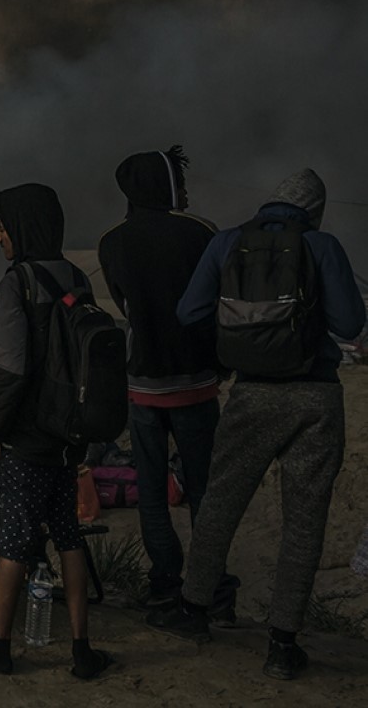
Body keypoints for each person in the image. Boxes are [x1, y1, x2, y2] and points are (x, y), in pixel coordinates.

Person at [148, 169, 365, 680]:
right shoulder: (323, 245)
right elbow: (350, 324)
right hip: (315, 397)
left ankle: (193, 611)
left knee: (221, 502)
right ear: (314, 210)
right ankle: (283, 644)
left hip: (250, 394)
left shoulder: (227, 242)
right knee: (303, 521)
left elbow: (189, 311)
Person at [0, 183, 112, 680]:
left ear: (20, 228)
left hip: (27, 437)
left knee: (15, 543)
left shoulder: (16, 284)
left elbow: (12, 369)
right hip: (68, 435)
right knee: (68, 537)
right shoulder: (75, 277)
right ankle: (82, 651)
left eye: (1, 228)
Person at [97, 146, 237, 616]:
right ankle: (212, 587)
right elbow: (218, 302)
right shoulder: (199, 233)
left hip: (143, 386)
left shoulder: (112, 242)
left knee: (152, 492)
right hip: (197, 382)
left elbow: (125, 308)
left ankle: (164, 584)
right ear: (166, 184)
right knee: (203, 491)